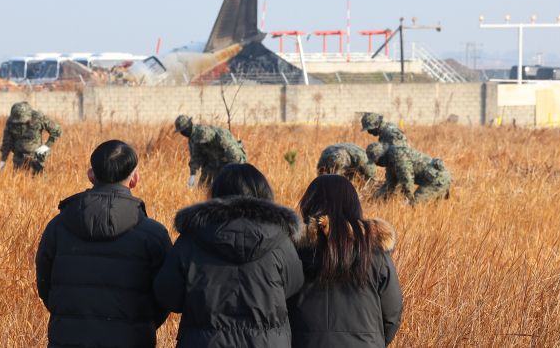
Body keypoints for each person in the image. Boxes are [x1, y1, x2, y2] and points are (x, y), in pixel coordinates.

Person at [35, 140, 172, 348]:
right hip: (133, 340)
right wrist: (138, 324)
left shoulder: (57, 227)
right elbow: (164, 298)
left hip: (67, 340)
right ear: (134, 179)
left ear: (91, 175)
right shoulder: (153, 234)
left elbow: (45, 288)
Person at [154, 163, 304, 348]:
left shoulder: (190, 239)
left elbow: (168, 297)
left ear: (216, 195)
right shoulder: (281, 241)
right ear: (264, 194)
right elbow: (294, 287)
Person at [287, 175, 403, 348]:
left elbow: (276, 305)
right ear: (354, 204)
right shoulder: (374, 250)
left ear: (309, 202)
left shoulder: (291, 248)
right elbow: (392, 312)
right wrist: (375, 341)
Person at [366, 142, 452, 205]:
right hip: (431, 180)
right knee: (432, 209)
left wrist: (407, 199)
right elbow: (389, 185)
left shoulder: (398, 156)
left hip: (437, 179)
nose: (375, 163)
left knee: (414, 205)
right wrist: (376, 199)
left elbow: (407, 179)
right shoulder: (390, 162)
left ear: (382, 155)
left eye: (375, 160)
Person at [174, 114, 248, 187]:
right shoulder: (197, 137)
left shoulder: (223, 138)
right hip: (213, 162)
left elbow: (235, 160)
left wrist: (236, 178)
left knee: (228, 187)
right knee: (205, 188)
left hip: (229, 162)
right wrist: (193, 176)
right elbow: (196, 156)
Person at [0, 102, 62, 176]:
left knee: (39, 182)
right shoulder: (11, 122)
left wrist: (47, 145)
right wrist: (3, 160)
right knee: (18, 183)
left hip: (36, 157)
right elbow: (7, 142)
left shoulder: (39, 117)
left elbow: (57, 130)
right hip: (19, 158)